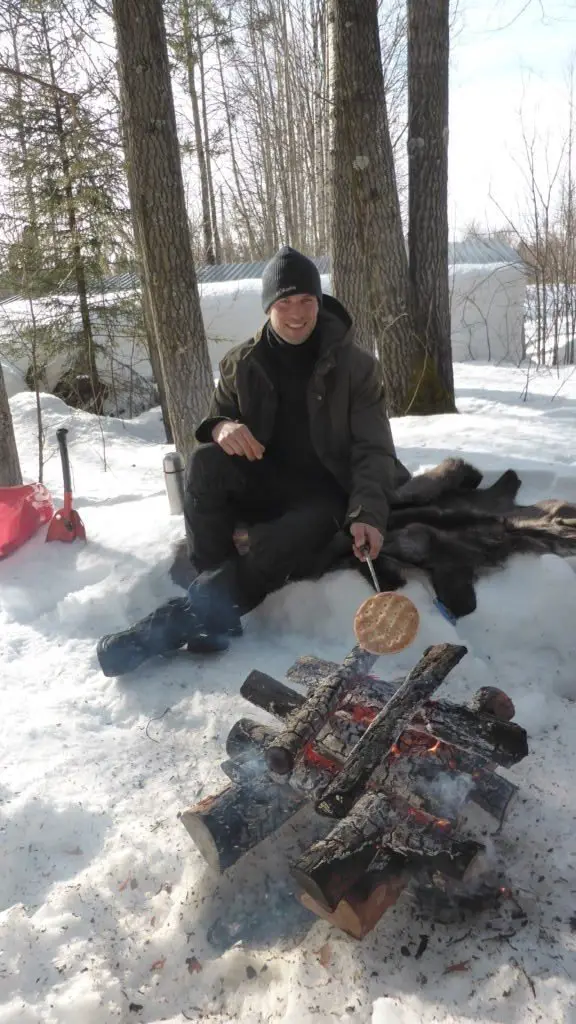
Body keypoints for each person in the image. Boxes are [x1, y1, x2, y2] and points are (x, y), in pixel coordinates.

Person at [97, 246, 409, 677]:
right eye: (284, 302)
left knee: (281, 540)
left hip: (326, 492)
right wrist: (222, 427)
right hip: (267, 480)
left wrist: (367, 513)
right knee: (205, 462)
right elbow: (216, 417)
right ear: (268, 307)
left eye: (306, 300)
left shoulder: (357, 369)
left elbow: (374, 450)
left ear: (319, 302)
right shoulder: (242, 362)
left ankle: (180, 620)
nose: (296, 312)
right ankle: (214, 601)